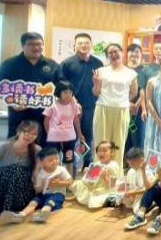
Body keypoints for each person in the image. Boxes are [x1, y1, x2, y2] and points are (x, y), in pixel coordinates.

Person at [0, 32, 60, 139]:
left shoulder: (52, 65)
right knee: (18, 145)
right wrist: (12, 103)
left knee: (44, 147)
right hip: (19, 116)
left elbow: (62, 87)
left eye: (39, 44)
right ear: (23, 45)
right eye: (31, 44)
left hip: (45, 117)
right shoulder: (9, 64)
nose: (36, 47)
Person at [60, 33, 103, 167]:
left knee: (88, 138)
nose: (84, 45)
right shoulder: (67, 63)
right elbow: (61, 85)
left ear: (91, 45)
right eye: (80, 43)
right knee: (70, 138)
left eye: (86, 43)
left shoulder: (98, 63)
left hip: (91, 107)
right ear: (75, 45)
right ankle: (69, 166)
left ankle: (87, 166)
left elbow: (101, 85)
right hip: (70, 107)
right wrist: (72, 100)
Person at [92, 43, 138, 167]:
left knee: (119, 142)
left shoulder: (131, 73)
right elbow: (96, 92)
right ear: (107, 56)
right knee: (101, 142)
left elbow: (134, 92)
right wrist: (96, 84)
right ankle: (98, 171)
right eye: (110, 53)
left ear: (122, 53)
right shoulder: (101, 71)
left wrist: (122, 100)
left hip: (122, 110)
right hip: (103, 108)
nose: (113, 54)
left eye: (116, 51)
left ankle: (115, 172)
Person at [0, 146, 73, 224]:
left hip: (57, 194)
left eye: (56, 158)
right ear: (42, 162)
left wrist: (59, 183)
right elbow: (38, 190)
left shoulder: (61, 170)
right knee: (33, 202)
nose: (54, 161)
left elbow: (70, 182)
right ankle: (21, 215)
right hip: (43, 194)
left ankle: (43, 214)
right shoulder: (41, 173)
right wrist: (45, 184)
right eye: (50, 160)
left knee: (49, 203)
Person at [43, 79, 83, 175]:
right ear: (59, 92)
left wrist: (80, 134)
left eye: (70, 92)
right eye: (65, 92)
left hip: (69, 137)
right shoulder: (52, 105)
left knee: (69, 159)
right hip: (54, 138)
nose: (68, 94)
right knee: (54, 159)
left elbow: (76, 120)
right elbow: (46, 121)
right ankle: (55, 178)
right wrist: (49, 134)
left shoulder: (74, 105)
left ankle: (69, 180)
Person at [69, 140, 121, 209]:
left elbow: (112, 186)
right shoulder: (97, 164)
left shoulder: (113, 166)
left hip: (105, 189)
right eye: (99, 151)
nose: (101, 153)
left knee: (95, 199)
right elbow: (89, 181)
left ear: (111, 152)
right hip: (94, 186)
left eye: (104, 151)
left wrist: (104, 177)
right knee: (78, 184)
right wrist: (86, 174)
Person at [125, 43, 147, 155]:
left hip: (138, 109)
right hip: (124, 106)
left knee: (136, 132)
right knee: (125, 132)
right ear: (127, 53)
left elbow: (144, 89)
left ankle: (137, 157)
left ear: (141, 54)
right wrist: (128, 103)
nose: (134, 54)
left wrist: (137, 105)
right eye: (131, 51)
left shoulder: (144, 70)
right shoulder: (123, 69)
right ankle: (125, 158)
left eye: (137, 51)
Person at [122, 147, 154, 212]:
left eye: (132, 164)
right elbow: (128, 185)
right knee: (120, 199)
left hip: (144, 195)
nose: (130, 166)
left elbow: (147, 189)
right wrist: (125, 188)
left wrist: (133, 193)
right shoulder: (131, 171)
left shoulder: (148, 172)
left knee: (136, 210)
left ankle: (152, 206)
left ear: (141, 160)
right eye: (129, 164)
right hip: (133, 195)